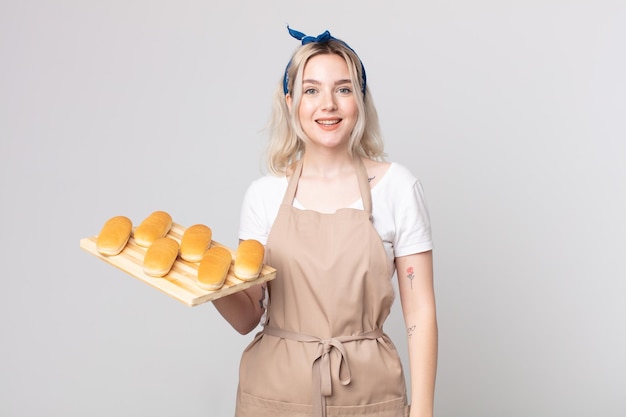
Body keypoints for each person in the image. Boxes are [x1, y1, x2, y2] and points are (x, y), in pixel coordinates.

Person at [213, 26, 437, 417]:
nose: (328, 104)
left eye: (344, 89)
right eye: (311, 90)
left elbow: (419, 313)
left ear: (360, 101)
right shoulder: (264, 195)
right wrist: (209, 280)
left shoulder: (397, 188)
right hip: (274, 395)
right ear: (290, 102)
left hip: (370, 395)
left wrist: (423, 411)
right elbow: (248, 316)